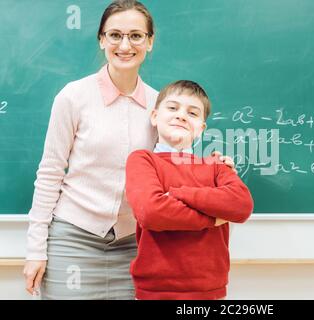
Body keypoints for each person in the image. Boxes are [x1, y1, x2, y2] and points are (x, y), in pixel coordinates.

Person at [23, 0, 235, 300]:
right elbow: (49, 173)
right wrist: (35, 250)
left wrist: (213, 168)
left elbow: (172, 162)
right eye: (115, 35)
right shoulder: (73, 97)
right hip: (73, 238)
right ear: (102, 39)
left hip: (135, 244)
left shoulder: (159, 105)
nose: (125, 45)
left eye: (136, 35)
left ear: (150, 42)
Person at [125, 80, 254, 300]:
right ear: (155, 116)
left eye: (192, 113)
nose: (182, 116)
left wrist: (178, 193)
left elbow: (241, 205)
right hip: (154, 291)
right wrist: (213, 218)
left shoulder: (217, 165)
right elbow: (151, 212)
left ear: (202, 128)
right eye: (173, 108)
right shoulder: (142, 160)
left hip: (210, 291)